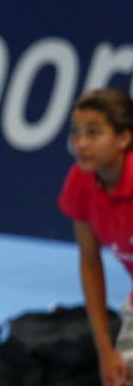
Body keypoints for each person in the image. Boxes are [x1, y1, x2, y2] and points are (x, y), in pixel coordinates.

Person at [58, 87, 133, 386]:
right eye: (76, 133)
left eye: (94, 133)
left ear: (124, 138)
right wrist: (105, 351)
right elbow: (90, 263)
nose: (81, 143)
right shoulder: (81, 180)